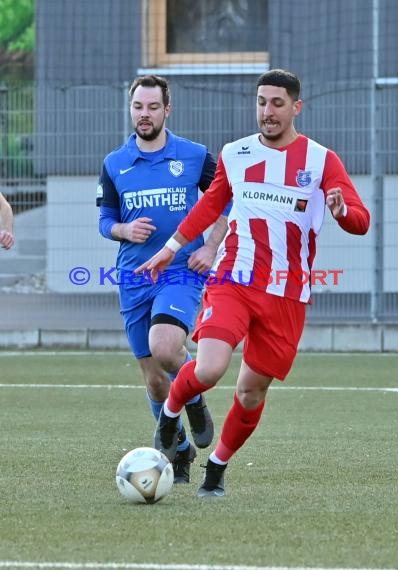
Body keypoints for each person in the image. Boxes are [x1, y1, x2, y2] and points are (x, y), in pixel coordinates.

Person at [135, 68, 371, 497]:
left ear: (296, 107)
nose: (268, 111)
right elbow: (211, 206)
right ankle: (170, 415)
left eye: (277, 103)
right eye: (262, 102)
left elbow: (361, 221)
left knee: (249, 392)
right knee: (208, 367)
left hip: (286, 293)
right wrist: (172, 246)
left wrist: (340, 211)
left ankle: (216, 470)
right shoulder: (235, 153)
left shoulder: (321, 161)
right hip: (234, 280)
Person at [97, 74, 229, 484]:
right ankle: (182, 450)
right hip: (134, 277)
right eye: (139, 107)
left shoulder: (194, 156)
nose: (145, 114)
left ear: (167, 110)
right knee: (154, 381)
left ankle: (195, 402)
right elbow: (105, 220)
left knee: (167, 346)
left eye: (153, 107)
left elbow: (224, 202)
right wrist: (123, 230)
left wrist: (209, 248)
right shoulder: (114, 163)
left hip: (179, 272)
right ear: (131, 108)